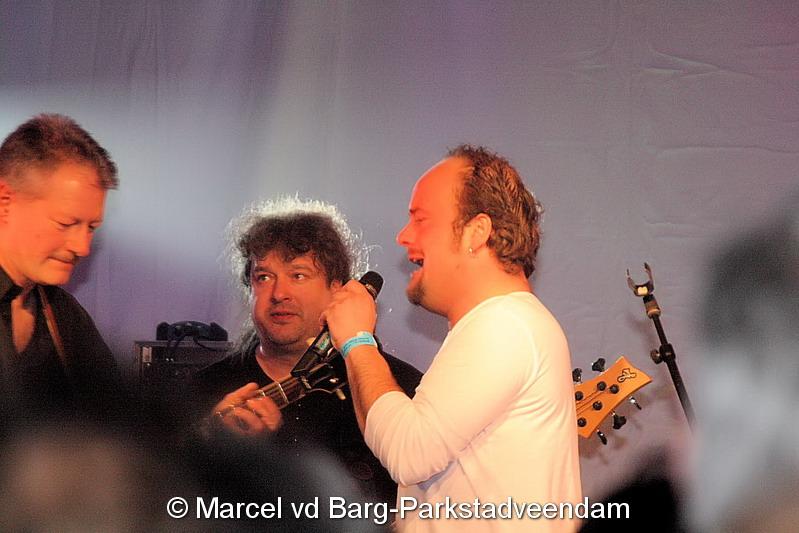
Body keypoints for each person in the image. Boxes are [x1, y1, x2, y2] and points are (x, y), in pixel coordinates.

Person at [323, 145, 583, 531]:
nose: (403, 236)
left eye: (421, 219)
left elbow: (408, 451)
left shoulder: (504, 324)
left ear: (476, 232)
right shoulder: (504, 323)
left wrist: (357, 342)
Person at [191, 197, 422, 506]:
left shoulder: (397, 390)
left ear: (337, 289)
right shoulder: (203, 392)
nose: (279, 294)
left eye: (298, 275)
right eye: (263, 277)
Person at [0, 113, 124, 425]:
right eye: (66, 223)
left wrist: (207, 428)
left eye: (91, 227)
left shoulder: (64, 314)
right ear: (4, 201)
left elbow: (119, 426)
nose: (82, 247)